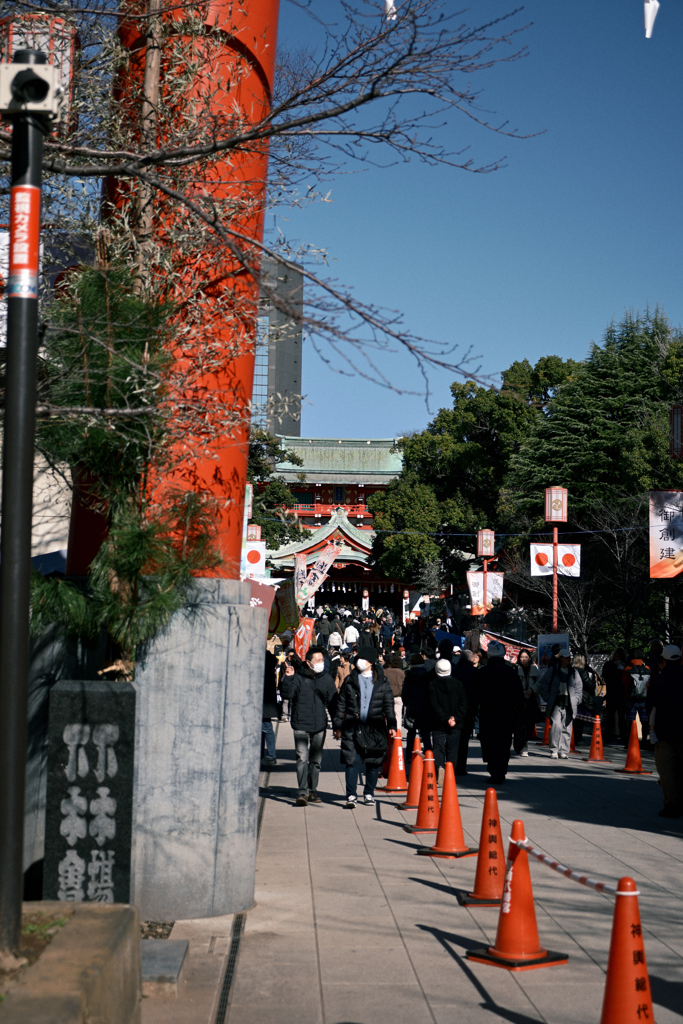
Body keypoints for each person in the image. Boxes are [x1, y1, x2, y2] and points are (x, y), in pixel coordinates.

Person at [334, 646, 396, 807]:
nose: (359, 661)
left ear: (371, 662)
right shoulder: (350, 680)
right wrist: (338, 726)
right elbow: (341, 704)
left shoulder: (382, 680)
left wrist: (392, 724)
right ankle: (351, 795)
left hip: (375, 727)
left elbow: (389, 704)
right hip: (352, 726)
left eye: (364, 659)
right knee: (351, 761)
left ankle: (369, 793)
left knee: (374, 763)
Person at [281, 645, 337, 806]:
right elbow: (287, 694)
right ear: (308, 662)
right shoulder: (298, 678)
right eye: (317, 660)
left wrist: (337, 725)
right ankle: (303, 791)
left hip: (319, 725)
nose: (321, 663)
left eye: (322, 660)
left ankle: (313, 790)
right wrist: (288, 678)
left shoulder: (326, 679)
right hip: (300, 724)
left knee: (316, 761)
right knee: (302, 758)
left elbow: (333, 703)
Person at [646, 644, 683, 817]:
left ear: (664, 660)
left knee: (666, 769)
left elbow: (650, 705)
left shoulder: (658, 680)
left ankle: (671, 804)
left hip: (664, 730)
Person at [540, 647, 582, 759]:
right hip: (556, 703)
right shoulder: (553, 670)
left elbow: (579, 688)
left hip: (569, 704)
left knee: (567, 727)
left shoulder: (574, 672)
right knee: (556, 726)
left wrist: (577, 699)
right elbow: (544, 685)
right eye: (567, 657)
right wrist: (548, 698)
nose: (569, 659)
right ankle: (554, 749)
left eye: (569, 657)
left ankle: (563, 750)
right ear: (561, 658)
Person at [429, 658, 467, 778]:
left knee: (438, 747)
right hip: (456, 723)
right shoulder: (458, 684)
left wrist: (445, 718)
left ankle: (439, 767)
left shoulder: (433, 685)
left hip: (438, 722)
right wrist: (455, 718)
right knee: (453, 749)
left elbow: (434, 705)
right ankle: (450, 773)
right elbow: (463, 703)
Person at [402, 652, 433, 759]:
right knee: (425, 733)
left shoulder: (409, 677)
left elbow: (404, 694)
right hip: (425, 707)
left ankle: (409, 755)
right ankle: (429, 753)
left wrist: (407, 703)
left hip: (412, 706)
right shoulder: (428, 676)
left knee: (411, 732)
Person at [453, 650, 480, 775]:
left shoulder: (454, 671)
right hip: (469, 709)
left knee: (454, 739)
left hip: (454, 709)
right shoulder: (475, 672)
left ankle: (451, 764)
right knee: (464, 740)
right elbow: (477, 694)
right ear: (470, 659)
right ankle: (461, 767)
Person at [622, 648, 651, 747]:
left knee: (631, 721)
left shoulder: (628, 669)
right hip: (644, 698)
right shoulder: (647, 668)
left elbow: (625, 683)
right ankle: (644, 741)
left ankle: (630, 741)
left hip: (631, 699)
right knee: (645, 721)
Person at [517, 649, 541, 756]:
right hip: (519, 700)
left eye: (526, 657)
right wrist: (522, 693)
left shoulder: (534, 669)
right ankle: (522, 745)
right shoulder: (515, 669)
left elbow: (539, 683)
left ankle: (523, 742)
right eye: (522, 656)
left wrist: (531, 690)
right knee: (521, 724)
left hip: (532, 699)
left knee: (531, 725)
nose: (524, 659)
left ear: (530, 658)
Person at [602, 647, 628, 743]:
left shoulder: (625, 666)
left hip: (621, 694)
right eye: (617, 656)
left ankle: (623, 736)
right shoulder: (609, 665)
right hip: (612, 694)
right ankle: (608, 736)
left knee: (621, 717)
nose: (618, 658)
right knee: (610, 717)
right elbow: (606, 676)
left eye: (620, 657)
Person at [261, 650, 279, 767]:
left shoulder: (262, 660)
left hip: (263, 702)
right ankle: (267, 755)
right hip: (267, 702)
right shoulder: (270, 661)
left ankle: (271, 755)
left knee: (266, 729)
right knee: (265, 729)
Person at [383, 652, 405, 732]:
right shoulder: (401, 672)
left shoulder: (384, 672)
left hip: (386, 698)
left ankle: (388, 734)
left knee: (386, 716)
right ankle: (397, 734)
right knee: (398, 716)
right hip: (398, 696)